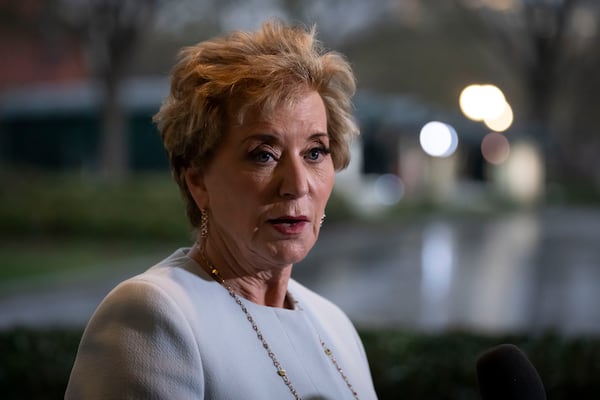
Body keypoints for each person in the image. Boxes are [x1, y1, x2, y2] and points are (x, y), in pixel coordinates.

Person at [65, 19, 378, 400]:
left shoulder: (335, 325)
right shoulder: (155, 314)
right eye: (263, 155)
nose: (298, 184)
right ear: (197, 180)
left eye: (315, 152)